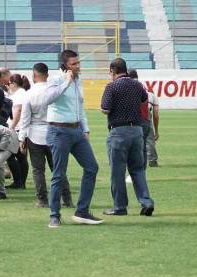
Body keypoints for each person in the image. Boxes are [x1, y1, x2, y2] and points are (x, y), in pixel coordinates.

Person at [38, 49, 103, 227]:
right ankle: (54, 215)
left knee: (92, 167)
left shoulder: (78, 79)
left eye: (78, 62)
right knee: (59, 174)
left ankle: (82, 211)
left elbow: (80, 106)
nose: (78, 66)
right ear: (65, 66)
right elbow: (47, 100)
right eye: (74, 64)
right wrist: (66, 82)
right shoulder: (56, 79)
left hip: (77, 131)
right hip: (58, 131)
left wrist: (86, 129)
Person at [100, 58, 155, 217]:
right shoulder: (137, 85)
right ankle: (146, 202)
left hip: (118, 131)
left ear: (112, 70)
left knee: (117, 172)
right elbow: (144, 100)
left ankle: (120, 207)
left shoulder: (112, 86)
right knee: (138, 170)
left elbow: (105, 108)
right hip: (137, 130)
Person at [19, 63, 74, 209]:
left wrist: (22, 138)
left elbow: (25, 119)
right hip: (54, 131)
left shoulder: (29, 94)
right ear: (47, 75)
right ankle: (67, 198)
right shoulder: (54, 91)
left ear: (33, 75)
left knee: (38, 170)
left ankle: (42, 199)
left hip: (35, 134)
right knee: (58, 168)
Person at [128, 69, 160, 167]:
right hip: (146, 117)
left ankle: (133, 162)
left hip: (130, 119)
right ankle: (152, 161)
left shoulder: (125, 89)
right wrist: (157, 130)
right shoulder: (149, 93)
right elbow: (156, 114)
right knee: (149, 140)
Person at [6, 73, 31, 189]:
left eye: (9, 83)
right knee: (21, 157)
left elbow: (18, 112)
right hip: (22, 129)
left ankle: (19, 181)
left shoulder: (19, 95)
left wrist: (11, 127)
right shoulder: (22, 93)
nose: (8, 85)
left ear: (14, 84)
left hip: (18, 129)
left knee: (13, 156)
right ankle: (20, 182)